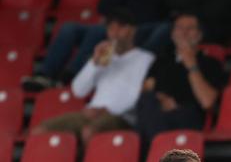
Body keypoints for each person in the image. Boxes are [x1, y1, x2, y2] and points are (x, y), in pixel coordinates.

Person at [33, 9, 155, 144]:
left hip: (121, 116)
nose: (115, 34)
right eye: (111, 29)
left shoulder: (146, 59)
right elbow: (78, 91)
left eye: (120, 28)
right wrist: (94, 63)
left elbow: (140, 97)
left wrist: (106, 110)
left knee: (89, 132)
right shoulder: (103, 57)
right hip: (90, 113)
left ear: (132, 30)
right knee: (40, 131)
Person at [22, 0, 168, 92]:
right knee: (69, 28)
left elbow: (157, 13)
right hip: (113, 26)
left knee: (97, 31)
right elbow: (104, 10)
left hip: (140, 28)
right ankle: (45, 74)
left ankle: (71, 74)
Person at [135, 13, 228, 147]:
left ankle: (158, 154)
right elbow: (143, 91)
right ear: (172, 34)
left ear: (199, 35)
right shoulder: (161, 62)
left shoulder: (210, 63)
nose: (184, 32)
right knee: (146, 101)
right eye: (179, 28)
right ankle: (162, 154)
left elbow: (208, 102)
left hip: (187, 116)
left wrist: (192, 65)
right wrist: (160, 99)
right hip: (157, 115)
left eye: (190, 28)